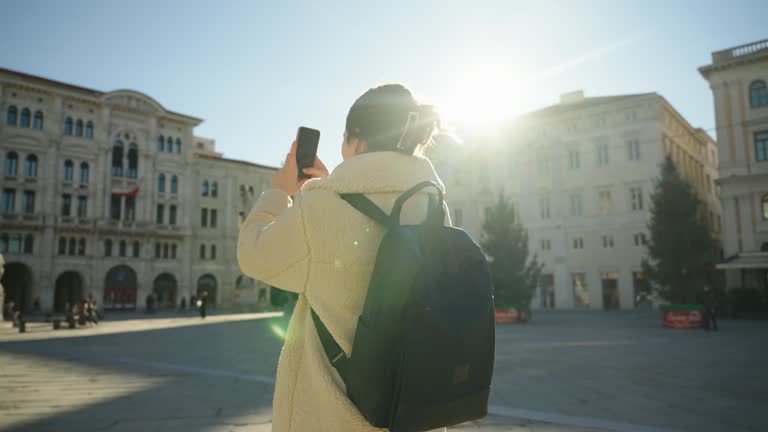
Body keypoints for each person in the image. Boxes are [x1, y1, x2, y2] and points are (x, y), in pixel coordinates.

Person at [237, 83, 447, 432]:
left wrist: (279, 192)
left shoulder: (320, 207)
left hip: (334, 419)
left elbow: (253, 254)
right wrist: (332, 187)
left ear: (356, 139)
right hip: (413, 414)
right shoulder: (433, 205)